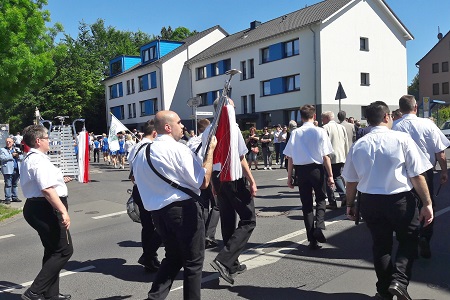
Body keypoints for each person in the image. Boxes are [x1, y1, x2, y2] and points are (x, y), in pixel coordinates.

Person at [343, 101, 433, 300]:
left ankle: (384, 290)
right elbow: (417, 175)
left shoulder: (358, 144)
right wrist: (427, 203)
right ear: (386, 117)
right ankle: (399, 281)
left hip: (370, 202)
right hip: (400, 199)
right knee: (409, 239)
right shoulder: (402, 139)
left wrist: (350, 204)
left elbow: (351, 180)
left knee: (381, 245)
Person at [132, 110, 217, 300]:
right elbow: (202, 181)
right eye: (179, 122)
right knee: (193, 263)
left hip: (158, 213)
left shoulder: (142, 151)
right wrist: (210, 151)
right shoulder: (178, 149)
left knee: (173, 257)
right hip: (183, 210)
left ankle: (154, 297)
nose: (183, 126)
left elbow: (137, 180)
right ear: (168, 127)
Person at [203, 98, 257, 285]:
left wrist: (211, 184)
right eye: (233, 107)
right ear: (227, 110)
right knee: (249, 219)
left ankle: (231, 263)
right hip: (232, 175)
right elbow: (241, 157)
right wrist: (251, 179)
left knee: (227, 220)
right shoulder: (231, 127)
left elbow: (206, 160)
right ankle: (224, 260)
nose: (234, 110)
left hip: (217, 177)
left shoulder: (208, 130)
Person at [19, 124, 73, 300]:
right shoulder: (38, 160)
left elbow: (44, 183)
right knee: (64, 251)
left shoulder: (32, 158)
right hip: (45, 208)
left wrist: (60, 181)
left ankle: (51, 295)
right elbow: (47, 189)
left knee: (52, 251)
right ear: (38, 140)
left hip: (38, 207)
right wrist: (63, 211)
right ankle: (34, 291)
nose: (50, 141)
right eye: (47, 138)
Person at [392, 95, 450, 259]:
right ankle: (425, 235)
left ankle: (410, 237)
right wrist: (444, 171)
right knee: (427, 203)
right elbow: (440, 152)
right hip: (425, 172)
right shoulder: (427, 124)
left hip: (402, 172)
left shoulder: (395, 126)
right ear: (415, 107)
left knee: (408, 206)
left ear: (400, 108)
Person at [284, 105, 334, 250]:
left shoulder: (295, 133)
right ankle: (319, 225)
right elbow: (326, 156)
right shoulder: (320, 131)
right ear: (314, 116)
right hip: (316, 169)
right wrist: (330, 175)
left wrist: (289, 177)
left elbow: (290, 157)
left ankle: (312, 240)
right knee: (320, 199)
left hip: (301, 171)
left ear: (301, 117)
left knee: (306, 205)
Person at [127, 120, 162, 272]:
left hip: (139, 188)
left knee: (147, 226)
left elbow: (132, 172)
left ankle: (149, 258)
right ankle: (149, 256)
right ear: (154, 133)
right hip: (150, 189)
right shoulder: (151, 147)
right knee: (162, 224)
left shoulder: (136, 146)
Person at [186, 118, 220, 249]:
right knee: (217, 206)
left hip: (196, 176)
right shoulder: (210, 140)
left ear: (199, 129)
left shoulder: (191, 141)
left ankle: (202, 234)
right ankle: (209, 235)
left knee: (204, 205)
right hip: (209, 174)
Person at [321, 111, 349, 209]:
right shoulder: (341, 127)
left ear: (326, 118)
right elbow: (346, 142)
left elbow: (323, 144)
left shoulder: (325, 128)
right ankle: (343, 195)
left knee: (329, 177)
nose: (322, 121)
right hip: (341, 156)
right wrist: (346, 155)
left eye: (322, 119)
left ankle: (332, 201)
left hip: (330, 157)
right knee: (337, 176)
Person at [1, 137, 23, 204]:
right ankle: (8, 198)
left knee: (15, 184)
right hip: (7, 170)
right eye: (7, 142)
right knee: (8, 184)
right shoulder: (2, 150)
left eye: (9, 142)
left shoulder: (17, 149)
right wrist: (12, 155)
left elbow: (22, 157)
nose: (8, 143)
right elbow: (2, 158)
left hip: (16, 169)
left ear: (13, 142)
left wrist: (18, 156)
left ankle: (15, 197)